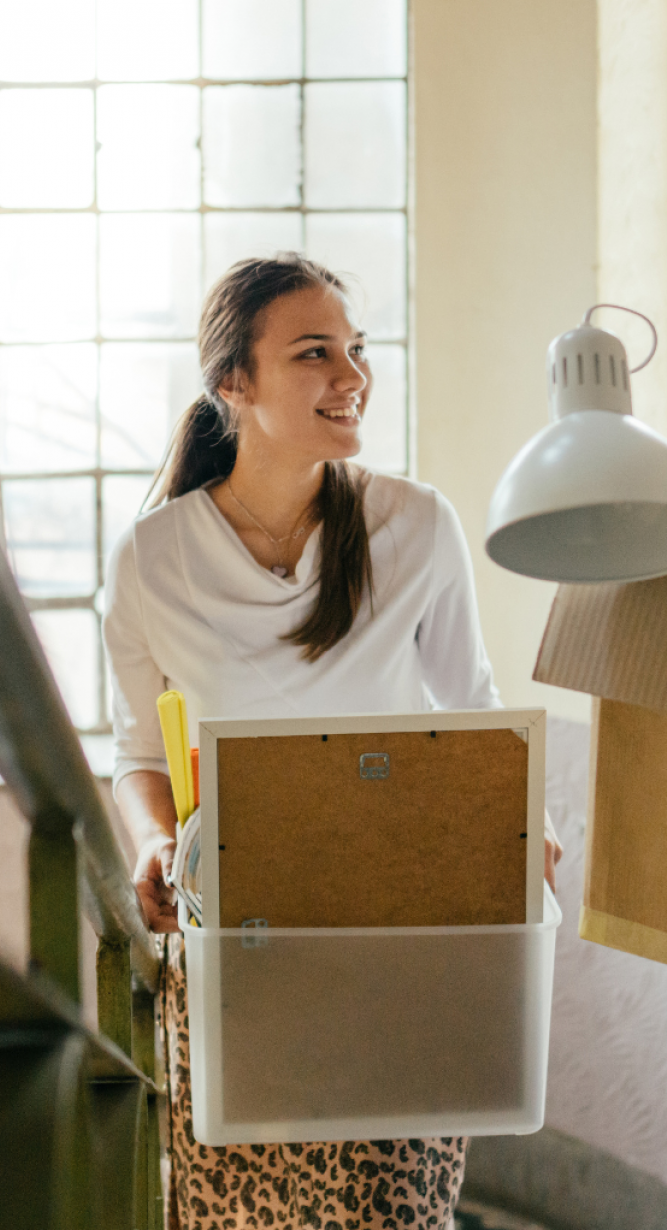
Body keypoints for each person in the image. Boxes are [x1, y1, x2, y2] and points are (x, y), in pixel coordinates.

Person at [103, 253, 562, 1230]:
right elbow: (139, 753)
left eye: (355, 350)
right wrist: (150, 844)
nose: (350, 375)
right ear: (233, 381)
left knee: (393, 1213)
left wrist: (525, 824)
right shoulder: (152, 558)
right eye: (315, 352)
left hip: (404, 951)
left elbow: (474, 715)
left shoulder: (416, 525)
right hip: (238, 959)